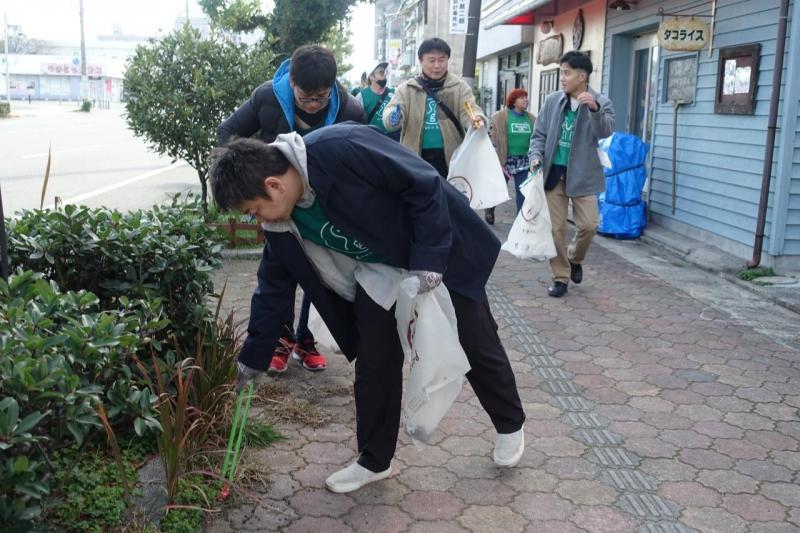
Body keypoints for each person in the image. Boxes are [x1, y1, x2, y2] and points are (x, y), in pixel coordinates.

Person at [209, 123, 526, 494]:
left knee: (475, 339)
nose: (259, 220)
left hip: (434, 247)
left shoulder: (340, 148)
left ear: (274, 185)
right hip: (377, 270)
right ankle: (374, 460)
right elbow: (272, 291)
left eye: (255, 210)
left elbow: (423, 184)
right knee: (375, 360)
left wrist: (429, 259)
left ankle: (510, 424)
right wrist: (253, 358)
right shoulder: (282, 226)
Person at [217, 45, 366, 374]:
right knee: (277, 275)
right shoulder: (267, 97)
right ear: (292, 82)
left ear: (332, 86)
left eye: (320, 98)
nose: (313, 104)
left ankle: (306, 340)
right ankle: (280, 340)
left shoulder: (350, 109)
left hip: (323, 211)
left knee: (320, 275)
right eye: (305, 97)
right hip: (280, 208)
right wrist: (251, 176)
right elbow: (227, 132)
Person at [529, 51, 615, 298]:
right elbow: (539, 135)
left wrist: (594, 109)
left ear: (582, 76)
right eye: (562, 72)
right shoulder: (552, 101)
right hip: (554, 174)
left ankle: (574, 257)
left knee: (589, 225)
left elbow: (606, 132)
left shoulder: (601, 102)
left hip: (584, 175)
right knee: (555, 230)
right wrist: (535, 155)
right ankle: (560, 277)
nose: (562, 78)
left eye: (567, 73)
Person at [383, 38, 485, 179]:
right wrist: (393, 117)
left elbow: (470, 109)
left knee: (448, 192)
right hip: (414, 157)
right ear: (421, 61)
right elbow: (390, 113)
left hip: (450, 157)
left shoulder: (459, 87)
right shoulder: (407, 89)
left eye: (442, 60)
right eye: (431, 60)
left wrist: (476, 119)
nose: (437, 65)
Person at [485, 88, 536, 225]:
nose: (525, 100)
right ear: (513, 101)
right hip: (505, 159)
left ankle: (521, 222)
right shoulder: (501, 117)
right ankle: (490, 208)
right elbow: (493, 134)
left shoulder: (531, 118)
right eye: (522, 98)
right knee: (498, 188)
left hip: (524, 161)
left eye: (526, 97)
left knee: (522, 191)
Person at [355, 61, 398, 139]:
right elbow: (356, 123)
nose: (384, 75)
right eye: (381, 72)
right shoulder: (361, 96)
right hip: (370, 140)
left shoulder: (394, 93)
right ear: (371, 77)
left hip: (391, 141)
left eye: (384, 72)